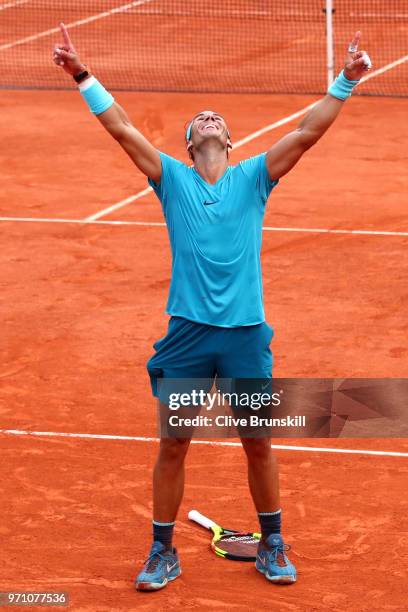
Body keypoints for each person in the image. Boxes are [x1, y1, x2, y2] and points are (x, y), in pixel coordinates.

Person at [53, 24, 371, 591]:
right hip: (189, 336)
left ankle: (273, 541)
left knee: (257, 441)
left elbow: (305, 133)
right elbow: (122, 129)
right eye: (199, 120)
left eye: (216, 120)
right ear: (189, 144)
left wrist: (345, 81)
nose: (208, 118)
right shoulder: (170, 179)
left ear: (229, 140)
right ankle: (162, 551)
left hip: (246, 333)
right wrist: (82, 74)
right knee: (174, 442)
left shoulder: (255, 177)